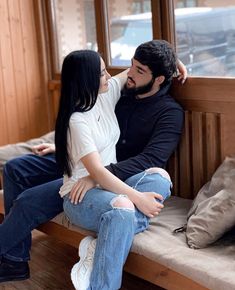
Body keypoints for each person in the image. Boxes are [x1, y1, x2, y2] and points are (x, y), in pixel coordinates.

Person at [0, 40, 185, 286]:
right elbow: (86, 126)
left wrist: (96, 175)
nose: (128, 73)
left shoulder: (168, 112)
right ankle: (14, 260)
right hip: (90, 163)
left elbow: (150, 159)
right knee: (15, 169)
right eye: (131, 65)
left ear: (159, 79)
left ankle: (101, 243)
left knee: (158, 179)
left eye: (139, 70)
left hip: (116, 172)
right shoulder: (122, 88)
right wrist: (70, 145)